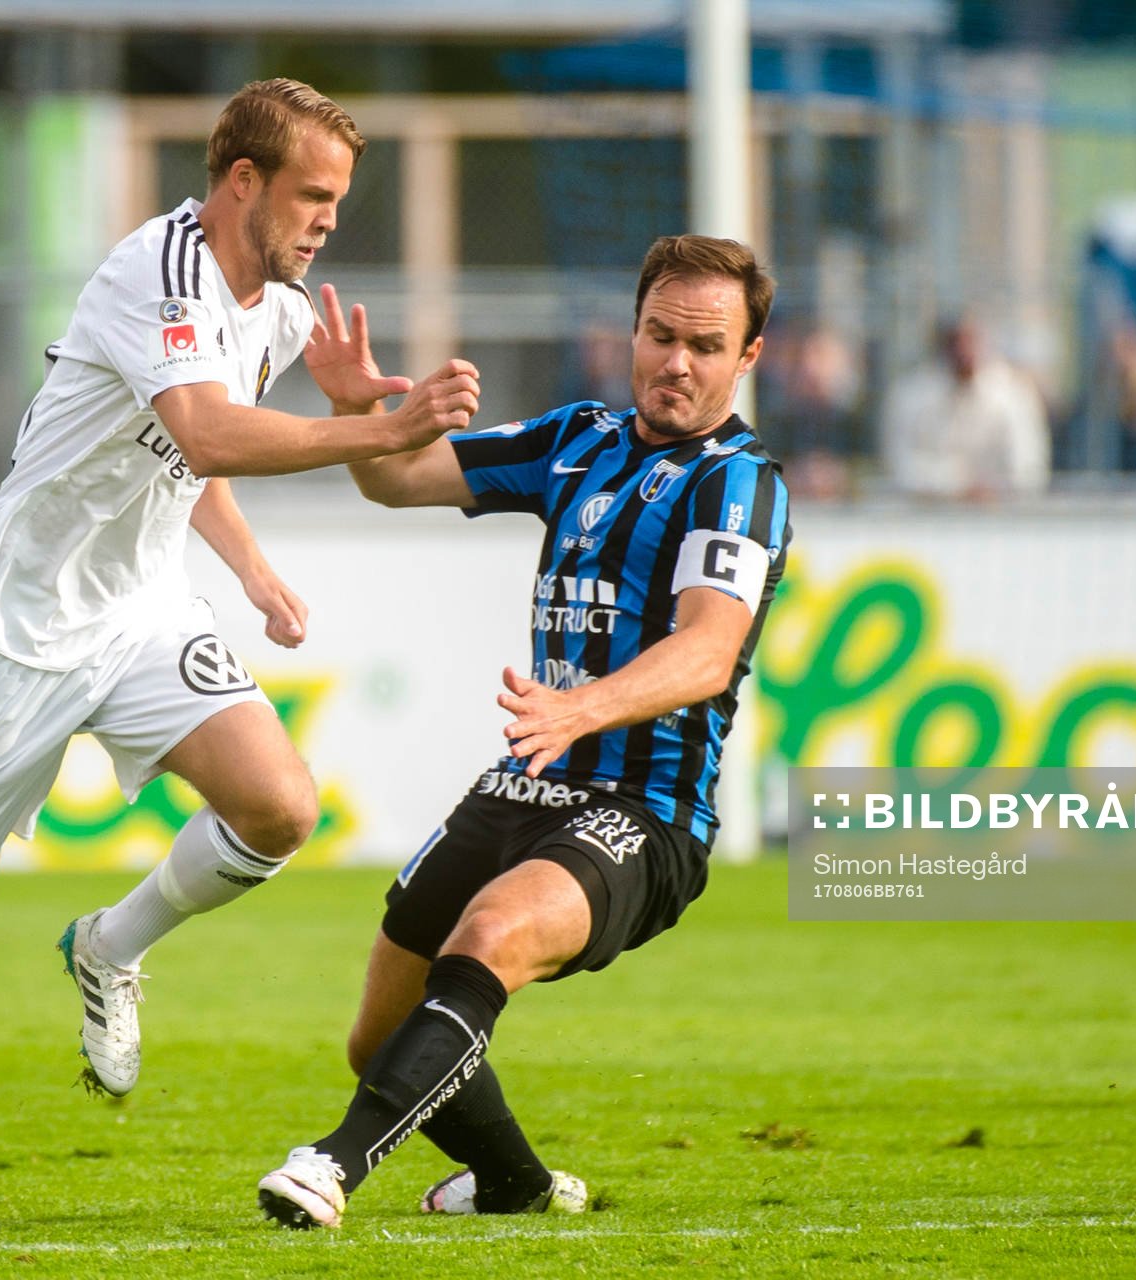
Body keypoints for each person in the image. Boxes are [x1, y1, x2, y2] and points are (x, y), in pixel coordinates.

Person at [0, 78, 482, 1227]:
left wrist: (252, 569)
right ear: (241, 182)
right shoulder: (153, 273)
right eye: (312, 195)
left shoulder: (274, 303)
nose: (328, 219)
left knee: (279, 806)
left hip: (138, 613)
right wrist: (373, 428)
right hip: (14, 629)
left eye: (339, 198)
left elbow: (194, 459)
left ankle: (109, 944)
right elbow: (203, 425)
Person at [254, 234, 792, 1230]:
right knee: (380, 1035)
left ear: (748, 356)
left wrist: (585, 704)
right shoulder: (575, 436)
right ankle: (516, 1184)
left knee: (491, 934)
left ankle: (331, 1163)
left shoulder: (739, 483)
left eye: (706, 346)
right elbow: (395, 478)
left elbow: (710, 650)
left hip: (646, 808)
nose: (677, 362)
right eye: (660, 334)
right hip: (528, 780)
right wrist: (352, 409)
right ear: (631, 329)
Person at [878, 315, 1049, 500]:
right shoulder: (911, 395)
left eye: (972, 342)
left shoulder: (1014, 396)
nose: (964, 352)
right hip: (927, 519)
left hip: (1002, 520)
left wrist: (986, 489)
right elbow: (901, 467)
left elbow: (1028, 469)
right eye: (956, 343)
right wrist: (957, 484)